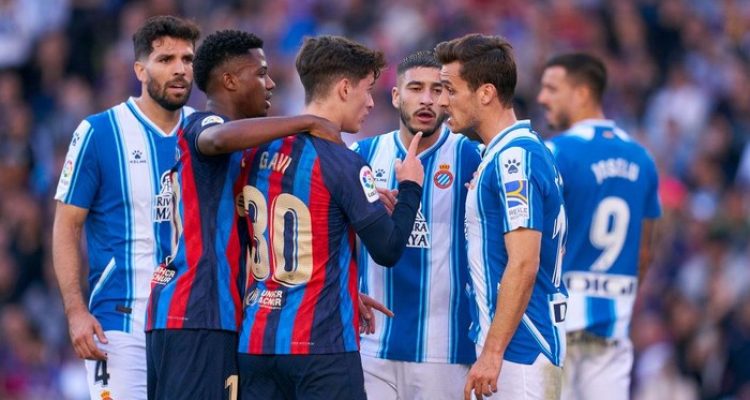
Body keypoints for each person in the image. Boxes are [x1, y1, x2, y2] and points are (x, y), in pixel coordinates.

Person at [145, 30, 343, 400]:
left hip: (187, 316)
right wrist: (306, 121)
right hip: (200, 313)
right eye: (261, 73)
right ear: (230, 80)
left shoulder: (246, 151)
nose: (270, 83)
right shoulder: (202, 125)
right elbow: (216, 139)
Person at [237, 35, 424, 400]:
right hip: (320, 348)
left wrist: (347, 288)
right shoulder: (343, 161)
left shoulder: (258, 150)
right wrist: (411, 188)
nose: (371, 102)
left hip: (256, 342)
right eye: (367, 90)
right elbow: (387, 248)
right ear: (343, 88)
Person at [51, 15, 199, 400]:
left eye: (187, 59)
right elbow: (66, 227)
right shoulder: (99, 132)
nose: (180, 69)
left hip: (192, 324)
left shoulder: (207, 132)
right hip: (118, 322)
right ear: (140, 69)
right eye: (166, 60)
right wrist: (75, 312)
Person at [435, 34, 568, 400]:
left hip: (521, 353)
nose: (442, 101)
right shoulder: (509, 154)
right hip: (514, 350)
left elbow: (524, 262)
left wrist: (492, 354)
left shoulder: (514, 162)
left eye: (450, 89)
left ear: (486, 93)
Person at [351, 50, 481, 399]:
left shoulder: (472, 158)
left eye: (437, 89)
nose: (426, 99)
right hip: (372, 346)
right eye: (415, 88)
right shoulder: (362, 156)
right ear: (396, 96)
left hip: (444, 350)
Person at [537, 53, 661, 400]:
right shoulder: (642, 158)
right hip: (612, 326)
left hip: (556, 328)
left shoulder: (554, 152)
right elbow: (645, 251)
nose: (542, 97)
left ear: (581, 94)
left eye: (551, 89)